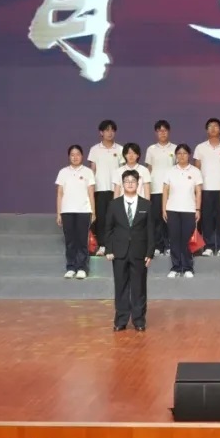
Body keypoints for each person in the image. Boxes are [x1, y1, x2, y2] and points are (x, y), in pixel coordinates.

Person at [106, 170, 155, 332]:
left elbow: (150, 230)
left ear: (138, 183)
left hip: (139, 252)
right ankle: (121, 320)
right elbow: (108, 229)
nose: (130, 184)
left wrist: (149, 252)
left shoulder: (146, 204)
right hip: (119, 252)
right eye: (126, 181)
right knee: (120, 286)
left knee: (139, 287)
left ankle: (139, 320)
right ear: (122, 184)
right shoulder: (114, 204)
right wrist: (109, 249)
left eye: (133, 181)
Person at [194, 118, 220, 257]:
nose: (213, 129)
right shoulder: (200, 148)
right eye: (210, 126)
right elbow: (197, 169)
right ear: (206, 130)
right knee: (207, 219)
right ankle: (209, 246)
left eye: (216, 126)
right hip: (205, 189)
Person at [162, 144, 203, 279]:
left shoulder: (195, 171)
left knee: (186, 239)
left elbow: (198, 192)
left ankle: (187, 267)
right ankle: (175, 267)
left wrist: (197, 209)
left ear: (189, 155)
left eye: (184, 153)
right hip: (172, 209)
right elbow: (165, 191)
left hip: (189, 209)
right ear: (176, 155)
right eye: (179, 153)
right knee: (174, 239)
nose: (182, 156)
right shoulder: (170, 171)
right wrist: (164, 209)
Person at [56, 145, 96, 279]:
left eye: (77, 154)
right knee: (70, 241)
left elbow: (91, 194)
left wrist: (93, 212)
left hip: (84, 211)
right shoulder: (63, 172)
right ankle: (71, 267)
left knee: (82, 240)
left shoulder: (88, 172)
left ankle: (82, 268)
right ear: (69, 157)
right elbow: (60, 194)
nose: (75, 157)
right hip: (67, 211)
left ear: (82, 156)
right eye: (72, 155)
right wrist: (59, 213)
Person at [87, 119, 122, 256]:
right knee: (101, 218)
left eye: (112, 130)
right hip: (100, 189)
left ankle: (114, 245)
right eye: (107, 130)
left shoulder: (120, 149)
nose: (110, 133)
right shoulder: (94, 149)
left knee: (115, 218)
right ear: (101, 132)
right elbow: (92, 170)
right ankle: (102, 245)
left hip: (116, 190)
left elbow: (123, 170)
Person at [145, 120, 177, 257]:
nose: (162, 133)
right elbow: (149, 168)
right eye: (160, 131)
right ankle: (158, 246)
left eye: (165, 130)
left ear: (168, 132)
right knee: (156, 219)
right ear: (156, 133)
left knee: (169, 219)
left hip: (172, 190)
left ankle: (169, 245)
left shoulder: (175, 148)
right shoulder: (151, 149)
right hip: (156, 188)